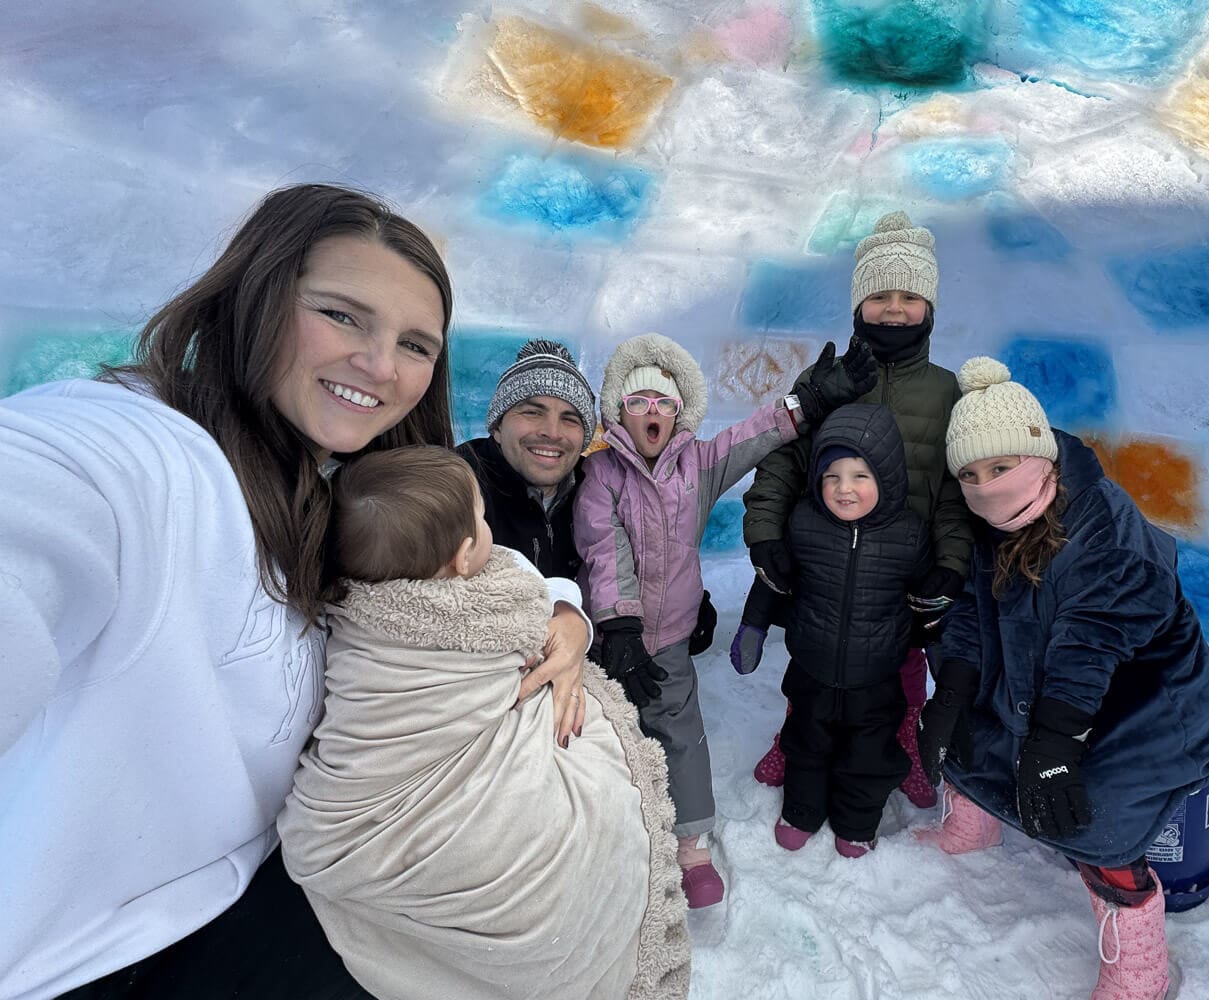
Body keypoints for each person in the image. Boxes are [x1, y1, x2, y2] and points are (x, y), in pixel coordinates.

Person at [0, 184, 591, 999]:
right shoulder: (141, 455)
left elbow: (473, 560)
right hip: (82, 959)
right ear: (257, 295)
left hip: (267, 893)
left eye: (416, 344)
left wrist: (563, 606)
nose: (382, 366)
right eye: (343, 315)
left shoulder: (345, 485)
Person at [279, 446, 689, 1000]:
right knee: (593, 804)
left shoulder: (354, 608)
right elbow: (526, 600)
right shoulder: (488, 604)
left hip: (350, 814)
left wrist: (570, 619)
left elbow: (546, 597)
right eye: (480, 514)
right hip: (462, 804)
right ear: (464, 555)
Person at [914, 357, 1209, 1000]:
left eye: (999, 468)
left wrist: (1056, 744)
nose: (986, 487)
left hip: (1141, 702)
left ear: (1038, 455)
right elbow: (973, 621)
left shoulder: (1103, 523)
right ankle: (974, 821)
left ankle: (1140, 959)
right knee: (967, 728)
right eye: (971, 475)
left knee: (1098, 811)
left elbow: (1091, 642)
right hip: (1045, 685)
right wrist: (949, 697)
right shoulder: (987, 528)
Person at [574, 331, 875, 908]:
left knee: (682, 735)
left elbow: (753, 437)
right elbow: (603, 549)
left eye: (663, 402)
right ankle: (610, 837)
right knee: (608, 733)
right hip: (614, 641)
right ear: (619, 412)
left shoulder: (699, 464)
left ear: (680, 409)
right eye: (639, 403)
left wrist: (806, 403)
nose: (652, 412)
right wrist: (617, 625)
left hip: (671, 640)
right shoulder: (602, 475)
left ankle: (691, 846)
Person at [741, 210, 973, 809]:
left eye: (909, 296)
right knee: (816, 659)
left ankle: (904, 737)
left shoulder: (948, 392)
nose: (893, 309)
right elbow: (782, 460)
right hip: (823, 555)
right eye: (878, 296)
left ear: (930, 308)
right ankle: (798, 739)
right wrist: (767, 535)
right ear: (856, 306)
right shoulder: (827, 377)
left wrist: (948, 562)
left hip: (903, 562)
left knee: (904, 664)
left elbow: (954, 491)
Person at [732, 405, 931, 858]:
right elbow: (773, 581)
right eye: (832, 476)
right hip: (811, 670)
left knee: (867, 759)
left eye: (859, 476)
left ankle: (856, 824)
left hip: (877, 679)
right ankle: (801, 812)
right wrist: (753, 627)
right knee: (806, 746)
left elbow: (925, 603)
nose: (844, 489)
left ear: (888, 477)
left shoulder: (909, 536)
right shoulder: (803, 524)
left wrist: (940, 653)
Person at [457, 339, 721, 663]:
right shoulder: (455, 487)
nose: (552, 432)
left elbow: (638, 554)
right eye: (532, 412)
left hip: (580, 663)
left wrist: (682, 607)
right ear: (498, 426)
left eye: (569, 418)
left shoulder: (596, 487)